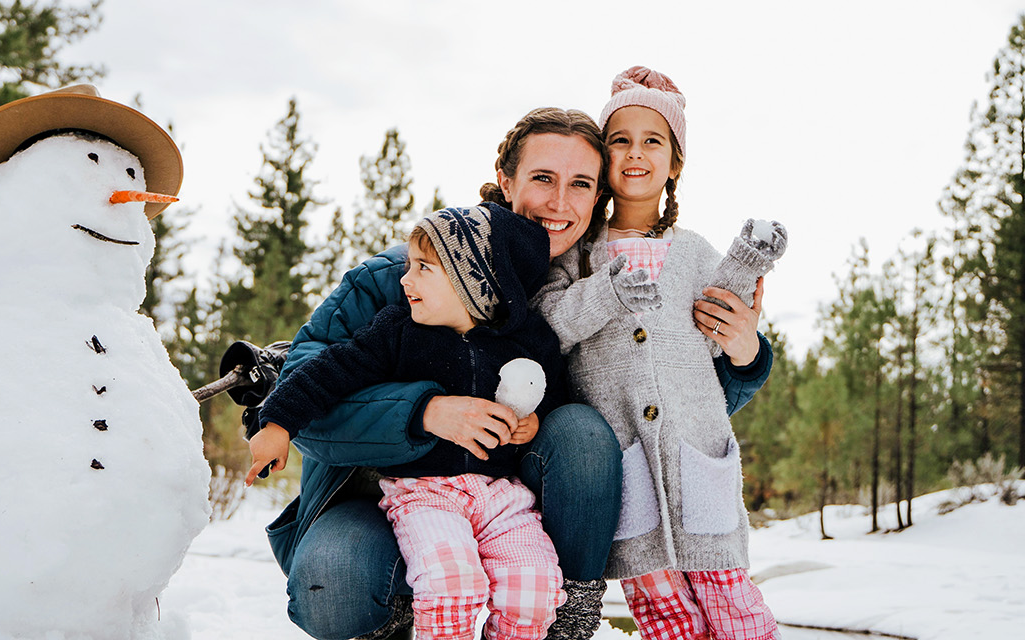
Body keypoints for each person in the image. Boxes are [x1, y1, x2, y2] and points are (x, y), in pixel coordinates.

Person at [264, 107, 773, 640]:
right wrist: (425, 411)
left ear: (598, 197)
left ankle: (566, 614)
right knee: (337, 582)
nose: (559, 202)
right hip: (386, 491)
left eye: (580, 184)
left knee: (581, 430)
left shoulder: (597, 287)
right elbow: (303, 387)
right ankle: (408, 615)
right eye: (542, 178)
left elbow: (661, 407)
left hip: (515, 499)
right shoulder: (404, 276)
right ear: (505, 181)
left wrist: (743, 353)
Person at [533, 66, 778, 640]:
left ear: (674, 163)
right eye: (619, 140)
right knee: (663, 611)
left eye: (653, 141)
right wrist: (606, 292)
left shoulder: (694, 253)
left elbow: (723, 332)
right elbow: (551, 325)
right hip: (627, 461)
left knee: (733, 603)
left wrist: (744, 306)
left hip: (698, 459)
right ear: (602, 156)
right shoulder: (576, 253)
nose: (635, 153)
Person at [247, 207, 569, 640]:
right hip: (426, 494)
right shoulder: (398, 331)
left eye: (423, 268)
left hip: (501, 498)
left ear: (473, 282)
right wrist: (277, 424)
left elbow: (557, 391)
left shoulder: (526, 341)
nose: (405, 280)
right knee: (451, 584)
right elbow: (330, 369)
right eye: (408, 267)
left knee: (534, 587)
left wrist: (534, 421)